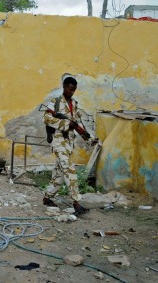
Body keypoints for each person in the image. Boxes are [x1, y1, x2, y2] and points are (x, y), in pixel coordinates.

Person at [42, 76, 90, 216]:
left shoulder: (74, 104)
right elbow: (46, 118)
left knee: (59, 173)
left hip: (69, 142)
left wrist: (88, 136)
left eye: (74, 90)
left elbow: (77, 123)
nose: (72, 92)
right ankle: (76, 202)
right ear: (64, 87)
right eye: (70, 89)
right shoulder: (55, 102)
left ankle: (47, 197)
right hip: (58, 140)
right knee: (69, 169)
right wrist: (65, 124)